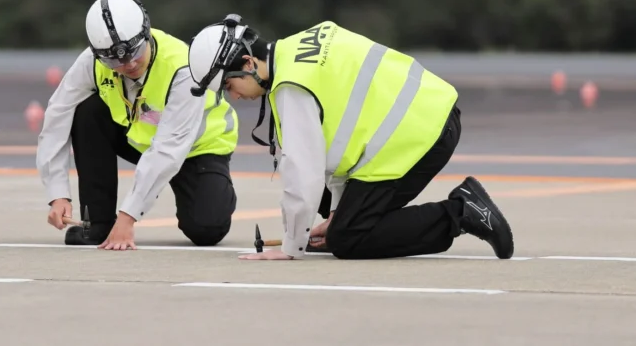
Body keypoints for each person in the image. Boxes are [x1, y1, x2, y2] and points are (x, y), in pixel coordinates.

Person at [187, 14, 514, 261]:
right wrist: (335, 214)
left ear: (248, 63)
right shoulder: (300, 46)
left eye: (229, 85)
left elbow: (304, 174)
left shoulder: (291, 88)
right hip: (430, 115)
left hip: (420, 137)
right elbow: (340, 139)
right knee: (334, 216)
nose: (234, 97)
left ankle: (462, 213)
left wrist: (291, 246)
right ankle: (349, 220)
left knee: (349, 238)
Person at [36, 0, 240, 250]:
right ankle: (97, 222)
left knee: (207, 230)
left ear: (146, 32)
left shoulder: (183, 68)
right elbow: (57, 116)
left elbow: (169, 149)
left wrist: (128, 217)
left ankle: (215, 185)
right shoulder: (92, 61)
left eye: (135, 51)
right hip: (140, 138)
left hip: (196, 148)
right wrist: (57, 194)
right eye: (114, 59)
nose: (129, 64)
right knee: (87, 111)